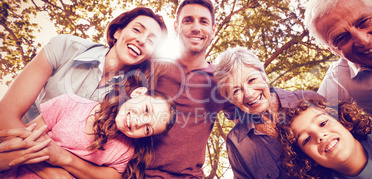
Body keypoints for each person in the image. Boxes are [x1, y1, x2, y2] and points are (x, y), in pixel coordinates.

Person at [0, 6, 168, 129]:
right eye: (137, 30)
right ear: (117, 32)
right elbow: (5, 116)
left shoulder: (131, 100)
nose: (142, 40)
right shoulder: (65, 47)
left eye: (151, 41)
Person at [1, 85, 176, 179]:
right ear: (138, 93)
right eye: (146, 110)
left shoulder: (125, 151)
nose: (139, 122)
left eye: (147, 129)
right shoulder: (70, 104)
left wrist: (62, 158)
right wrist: (50, 167)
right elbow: (15, 146)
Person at [144, 0, 235, 177]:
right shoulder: (152, 66)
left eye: (203, 21)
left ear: (213, 29)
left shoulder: (221, 80)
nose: (196, 28)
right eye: (188, 20)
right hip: (137, 173)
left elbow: (252, 113)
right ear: (176, 26)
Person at [214, 47, 324, 178]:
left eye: (252, 80)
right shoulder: (237, 143)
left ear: (264, 76)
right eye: (236, 90)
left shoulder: (309, 101)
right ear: (230, 99)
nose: (249, 94)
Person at [304, 0, 372, 126]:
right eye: (341, 37)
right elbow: (311, 121)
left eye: (364, 21)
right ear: (332, 50)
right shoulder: (338, 80)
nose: (363, 41)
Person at [277, 98, 372, 178]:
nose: (320, 136)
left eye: (323, 123)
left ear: (344, 122)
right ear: (308, 159)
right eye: (306, 139)